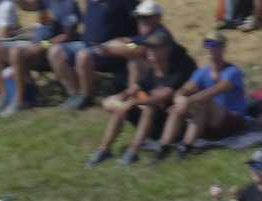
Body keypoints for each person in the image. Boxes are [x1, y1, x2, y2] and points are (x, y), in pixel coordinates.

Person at [87, 31, 178, 162]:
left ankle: (132, 152)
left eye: (155, 48)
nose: (150, 51)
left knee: (148, 108)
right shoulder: (153, 70)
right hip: (151, 121)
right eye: (150, 48)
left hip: (166, 124)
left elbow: (164, 96)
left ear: (167, 50)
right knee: (122, 106)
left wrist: (134, 102)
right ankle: (103, 149)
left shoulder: (175, 71)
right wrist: (121, 97)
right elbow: (136, 87)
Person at [156, 32, 245, 155]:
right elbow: (184, 89)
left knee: (203, 101)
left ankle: (186, 146)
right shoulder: (202, 72)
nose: (210, 47)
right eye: (207, 43)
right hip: (210, 121)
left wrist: (189, 101)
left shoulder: (232, 71)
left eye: (214, 44)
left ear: (223, 48)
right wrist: (180, 99)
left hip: (232, 120)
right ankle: (163, 147)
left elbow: (216, 90)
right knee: (178, 108)